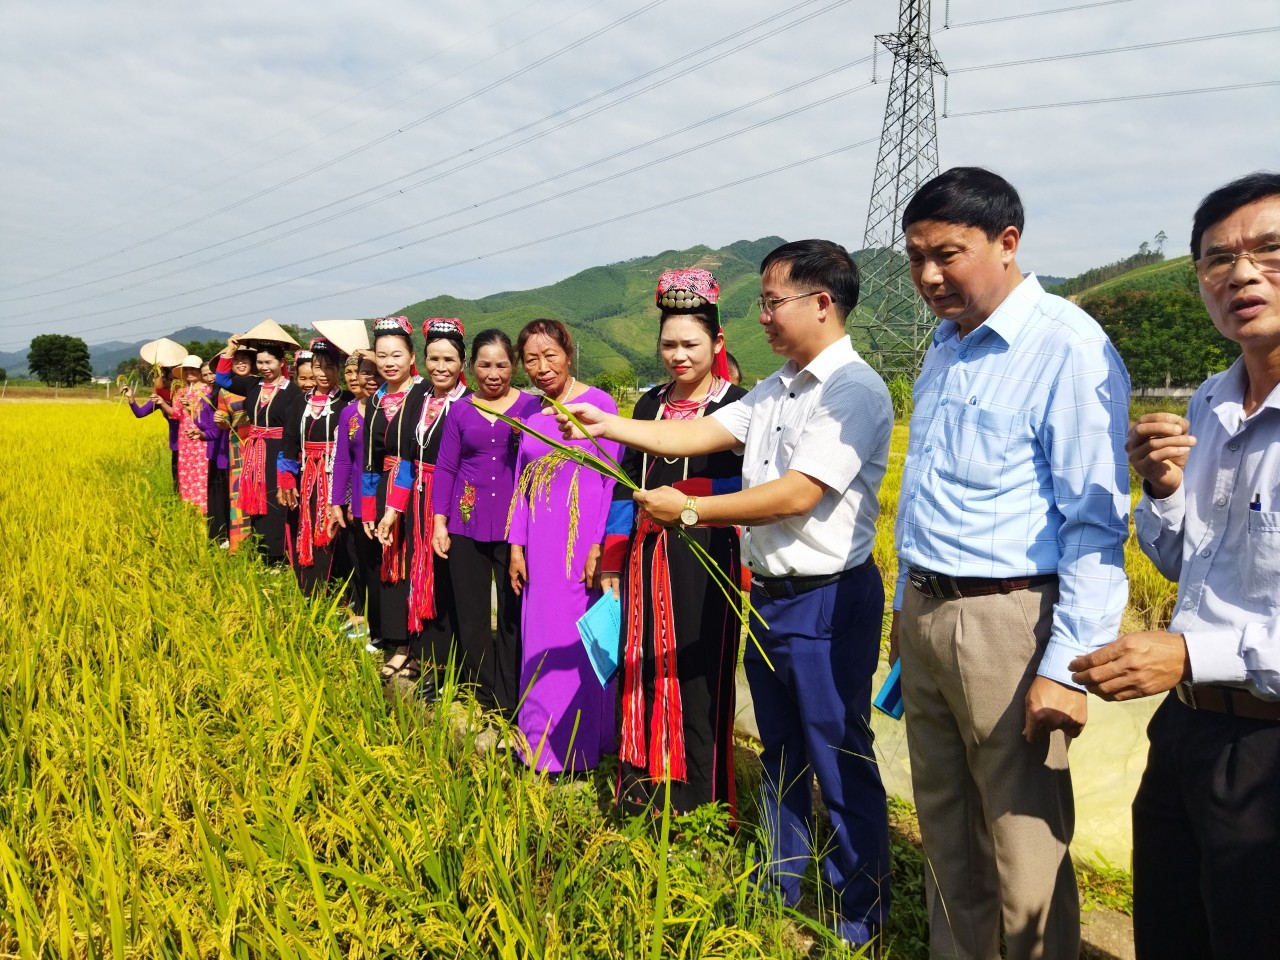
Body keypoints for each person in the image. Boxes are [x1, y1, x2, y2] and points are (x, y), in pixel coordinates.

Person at [558, 240, 892, 947]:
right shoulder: (776, 388)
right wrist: (604, 422)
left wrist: (689, 510)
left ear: (822, 303)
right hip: (772, 596)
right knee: (780, 754)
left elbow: (799, 493)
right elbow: (702, 432)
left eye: (773, 301)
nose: (762, 316)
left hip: (827, 598)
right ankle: (782, 890)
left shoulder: (851, 390)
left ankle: (861, 915)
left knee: (838, 754)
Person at [889, 167, 1130, 960]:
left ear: (1007, 242)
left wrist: (1065, 667)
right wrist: (904, 609)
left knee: (1021, 847)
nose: (928, 276)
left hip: (1010, 624)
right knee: (946, 830)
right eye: (917, 257)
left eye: (947, 254)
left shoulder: (1064, 346)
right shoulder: (945, 347)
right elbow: (925, 491)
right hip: (928, 612)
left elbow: (1094, 523)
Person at [1070, 171, 1280, 960]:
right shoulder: (1209, 406)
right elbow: (1182, 561)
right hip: (1188, 727)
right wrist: (1160, 489)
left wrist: (1192, 649)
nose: (1242, 274)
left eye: (1269, 250)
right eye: (1217, 260)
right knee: (1172, 927)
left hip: (1267, 746)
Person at [601, 269, 746, 816]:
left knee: (699, 674)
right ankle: (641, 785)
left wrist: (684, 496)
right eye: (669, 344)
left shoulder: (740, 404)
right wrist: (613, 557)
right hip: (645, 555)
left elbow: (751, 487)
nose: (678, 355)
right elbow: (624, 485)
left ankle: (699, 803)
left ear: (717, 342)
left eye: (691, 344)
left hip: (707, 557)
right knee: (641, 662)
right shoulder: (647, 406)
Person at [507, 318, 621, 775]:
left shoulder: (598, 404)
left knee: (576, 643)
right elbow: (522, 483)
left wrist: (600, 546)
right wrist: (516, 545)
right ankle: (536, 745)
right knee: (539, 641)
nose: (541, 367)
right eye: (531, 359)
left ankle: (578, 750)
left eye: (549, 355)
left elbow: (613, 482)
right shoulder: (531, 413)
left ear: (568, 353)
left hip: (580, 547)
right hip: (539, 544)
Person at [432, 328, 540, 718]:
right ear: (471, 367)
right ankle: (486, 692)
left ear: (513, 365)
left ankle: (515, 692)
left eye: (501, 365)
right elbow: (446, 467)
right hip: (465, 522)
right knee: (472, 613)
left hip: (515, 527)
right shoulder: (460, 410)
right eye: (484, 365)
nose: (493, 373)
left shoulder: (531, 408)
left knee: (513, 612)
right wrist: (439, 522)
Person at [374, 318, 469, 696]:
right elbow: (406, 460)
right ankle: (418, 651)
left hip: (451, 502)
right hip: (415, 497)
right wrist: (392, 509)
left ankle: (447, 663)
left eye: (449, 359)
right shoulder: (419, 397)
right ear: (422, 359)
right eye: (433, 358)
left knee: (446, 579)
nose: (440, 367)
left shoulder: (468, 402)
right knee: (418, 574)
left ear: (462, 362)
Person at [217, 338, 304, 564]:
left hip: (279, 453)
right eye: (260, 363)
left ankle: (280, 555)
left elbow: (294, 430)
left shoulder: (292, 391)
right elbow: (222, 378)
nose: (264, 367)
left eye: (269, 362)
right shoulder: (252, 385)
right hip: (255, 451)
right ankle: (262, 551)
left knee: (277, 501)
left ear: (281, 362)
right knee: (257, 499)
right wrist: (231, 350)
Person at [279, 338, 353, 594]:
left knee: (340, 531)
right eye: (319, 367)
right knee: (308, 526)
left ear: (339, 370)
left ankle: (341, 590)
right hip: (308, 478)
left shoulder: (347, 402)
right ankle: (312, 589)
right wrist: (286, 479)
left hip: (338, 477)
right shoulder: (300, 403)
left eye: (330, 367)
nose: (323, 373)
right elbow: (289, 443)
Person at [331, 350, 379, 643]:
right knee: (366, 561)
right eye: (364, 371)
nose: (369, 378)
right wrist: (338, 500)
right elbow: (343, 461)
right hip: (360, 500)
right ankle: (373, 624)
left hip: (390, 500)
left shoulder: (397, 408)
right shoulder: (349, 412)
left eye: (375, 371)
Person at [213, 345, 256, 552]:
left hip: (261, 443)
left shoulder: (261, 384)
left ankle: (263, 541)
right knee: (238, 492)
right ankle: (240, 544)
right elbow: (224, 421)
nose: (240, 362)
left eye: (245, 359)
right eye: (236, 359)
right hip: (238, 446)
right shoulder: (225, 390)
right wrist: (220, 420)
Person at [174, 355, 210, 515]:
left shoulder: (208, 390)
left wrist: (192, 408)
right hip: (185, 439)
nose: (189, 372)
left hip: (201, 436)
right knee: (186, 472)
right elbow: (175, 414)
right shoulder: (180, 391)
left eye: (193, 369)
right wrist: (160, 402)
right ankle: (189, 507)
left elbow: (208, 417)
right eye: (186, 369)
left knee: (202, 471)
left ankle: (204, 507)